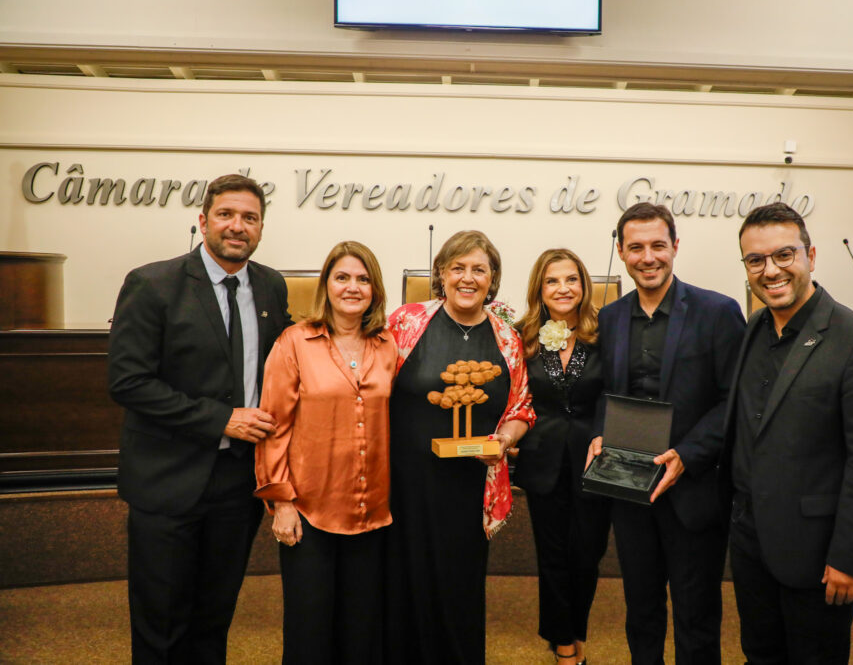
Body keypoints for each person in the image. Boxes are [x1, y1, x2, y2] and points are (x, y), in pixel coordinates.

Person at [108, 173, 291, 664]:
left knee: (214, 617)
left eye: (250, 218)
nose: (238, 226)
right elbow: (129, 382)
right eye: (227, 215)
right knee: (161, 623)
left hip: (237, 486)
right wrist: (221, 419)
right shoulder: (152, 283)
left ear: (261, 227)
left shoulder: (271, 287)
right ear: (203, 220)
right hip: (167, 481)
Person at [720, 202, 853, 664]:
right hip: (750, 540)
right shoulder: (755, 326)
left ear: (811, 255)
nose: (771, 270)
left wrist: (850, 556)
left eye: (785, 255)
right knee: (760, 653)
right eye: (756, 260)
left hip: (818, 552)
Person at [586, 202, 745, 664]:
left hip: (692, 490)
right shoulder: (610, 316)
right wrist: (599, 433)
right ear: (621, 252)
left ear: (675, 246)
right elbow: (606, 394)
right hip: (629, 488)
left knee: (696, 616)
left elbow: (731, 400)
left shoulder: (718, 312)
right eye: (636, 247)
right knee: (641, 610)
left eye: (658, 245)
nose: (648, 257)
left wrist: (687, 454)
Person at [385, 230, 535, 665]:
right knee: (404, 581)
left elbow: (522, 407)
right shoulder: (406, 322)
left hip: (470, 486)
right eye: (458, 268)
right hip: (406, 482)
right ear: (441, 274)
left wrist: (504, 440)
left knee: (460, 585)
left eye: (479, 270)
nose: (467, 278)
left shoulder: (507, 339)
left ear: (493, 279)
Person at [256, 241, 397, 664]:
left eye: (363, 279)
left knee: (363, 626)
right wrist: (281, 502)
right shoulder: (294, 342)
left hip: (371, 510)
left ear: (374, 289)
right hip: (309, 508)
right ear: (327, 285)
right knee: (309, 627)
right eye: (342, 277)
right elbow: (273, 426)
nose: (352, 287)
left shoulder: (387, 346)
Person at [514, 249, 611, 665]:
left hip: (595, 459)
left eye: (571, 279)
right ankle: (567, 647)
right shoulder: (522, 335)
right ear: (540, 288)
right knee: (552, 556)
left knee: (587, 556)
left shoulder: (606, 332)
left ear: (583, 285)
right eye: (552, 281)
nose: (563, 288)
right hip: (543, 460)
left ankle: (574, 629)